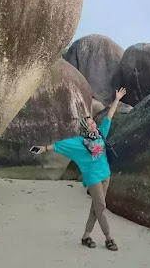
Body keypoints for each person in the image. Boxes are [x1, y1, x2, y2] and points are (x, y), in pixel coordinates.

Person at [37, 87, 126, 251]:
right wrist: (44, 148)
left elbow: (109, 117)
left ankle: (86, 236)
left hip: (106, 174)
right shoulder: (79, 143)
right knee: (101, 208)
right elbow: (60, 145)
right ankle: (109, 238)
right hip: (93, 178)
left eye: (93, 122)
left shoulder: (100, 134)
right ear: (85, 127)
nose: (93, 125)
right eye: (90, 124)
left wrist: (117, 100)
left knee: (96, 208)